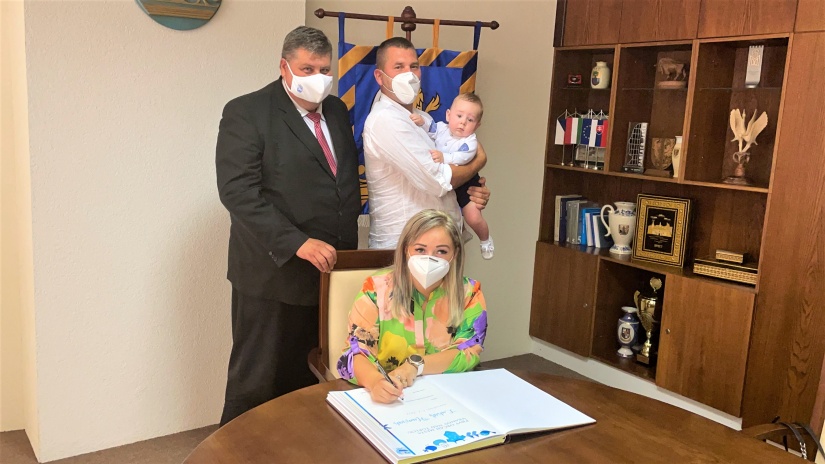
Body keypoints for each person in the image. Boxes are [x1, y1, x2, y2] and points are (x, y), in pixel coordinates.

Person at [215, 26, 361, 425]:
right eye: (307, 69)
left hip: (330, 271)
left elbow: (341, 181)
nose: (318, 78)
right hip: (273, 272)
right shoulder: (247, 111)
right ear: (285, 67)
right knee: (258, 379)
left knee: (312, 376)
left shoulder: (336, 111)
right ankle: (237, 451)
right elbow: (237, 192)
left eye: (325, 70)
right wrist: (297, 242)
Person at [337, 209, 488, 403]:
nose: (429, 258)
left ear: (455, 254)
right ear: (406, 249)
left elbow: (469, 350)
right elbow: (357, 351)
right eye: (420, 250)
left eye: (441, 251)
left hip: (447, 397)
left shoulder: (469, 293)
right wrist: (375, 382)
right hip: (391, 397)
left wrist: (416, 366)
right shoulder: (375, 289)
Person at [363, 37, 491, 250]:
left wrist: (472, 190)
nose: (409, 74)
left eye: (414, 66)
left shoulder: (422, 118)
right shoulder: (386, 119)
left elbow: (451, 168)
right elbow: (438, 180)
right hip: (403, 247)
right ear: (379, 76)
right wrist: (478, 161)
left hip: (439, 243)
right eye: (398, 67)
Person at [411, 93, 494, 259]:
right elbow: (431, 128)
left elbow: (463, 158)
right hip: (445, 185)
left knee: (473, 217)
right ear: (448, 115)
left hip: (467, 181)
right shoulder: (442, 128)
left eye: (470, 120)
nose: (463, 122)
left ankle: (485, 240)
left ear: (477, 125)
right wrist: (421, 122)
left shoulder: (470, 142)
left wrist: (444, 157)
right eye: (459, 116)